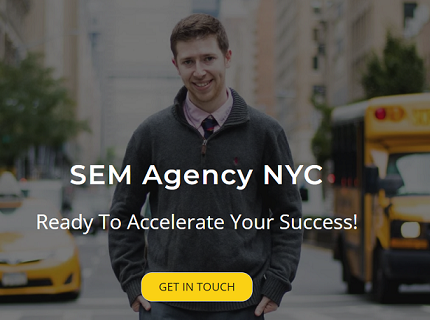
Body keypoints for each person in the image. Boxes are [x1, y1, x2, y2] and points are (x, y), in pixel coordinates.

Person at [108, 13, 303, 319]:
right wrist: (133, 282)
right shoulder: (151, 133)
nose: (199, 71)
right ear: (176, 65)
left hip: (242, 304)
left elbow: (287, 214)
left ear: (227, 57)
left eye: (208, 58)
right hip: (165, 304)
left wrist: (278, 281)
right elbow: (123, 212)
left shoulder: (265, 133)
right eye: (188, 62)